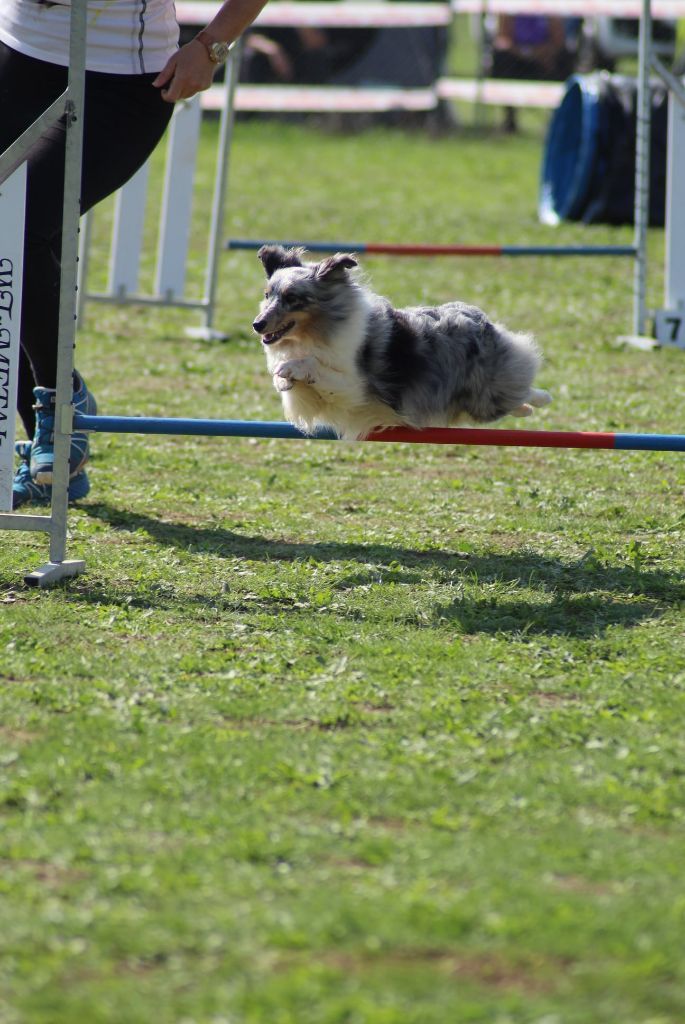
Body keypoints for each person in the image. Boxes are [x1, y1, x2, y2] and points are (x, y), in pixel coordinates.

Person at [0, 0, 269, 508]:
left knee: (20, 226)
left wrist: (212, 45)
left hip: (123, 79)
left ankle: (61, 408)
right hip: (19, 53)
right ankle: (54, 443)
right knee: (13, 240)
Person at [490, 15, 575, 132]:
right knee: (502, 58)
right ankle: (509, 119)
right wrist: (524, 52)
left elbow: (558, 40)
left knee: (563, 57)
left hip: (544, 60)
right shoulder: (509, 8)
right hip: (516, 59)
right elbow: (503, 39)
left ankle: (557, 119)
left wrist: (540, 53)